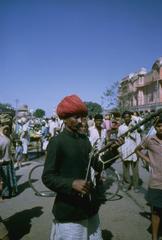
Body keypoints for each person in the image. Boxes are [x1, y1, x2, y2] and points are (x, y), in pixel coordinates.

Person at [42, 94, 104, 240]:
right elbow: (47, 177)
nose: (80, 122)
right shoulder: (57, 142)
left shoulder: (84, 140)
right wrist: (71, 184)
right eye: (76, 118)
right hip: (69, 212)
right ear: (65, 119)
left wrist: (113, 150)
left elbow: (98, 165)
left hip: (90, 208)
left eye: (82, 117)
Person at [135, 115, 162, 240]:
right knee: (156, 211)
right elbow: (137, 150)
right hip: (156, 181)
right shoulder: (149, 139)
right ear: (155, 127)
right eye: (158, 125)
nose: (161, 128)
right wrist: (148, 160)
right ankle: (154, 237)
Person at [118, 111, 141, 193]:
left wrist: (138, 150)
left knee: (135, 169)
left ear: (130, 117)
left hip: (134, 150)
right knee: (126, 169)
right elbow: (119, 139)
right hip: (125, 150)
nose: (127, 118)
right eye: (125, 117)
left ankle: (136, 186)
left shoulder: (135, 126)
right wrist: (120, 151)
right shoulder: (121, 127)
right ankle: (127, 184)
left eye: (128, 117)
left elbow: (138, 138)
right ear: (123, 118)